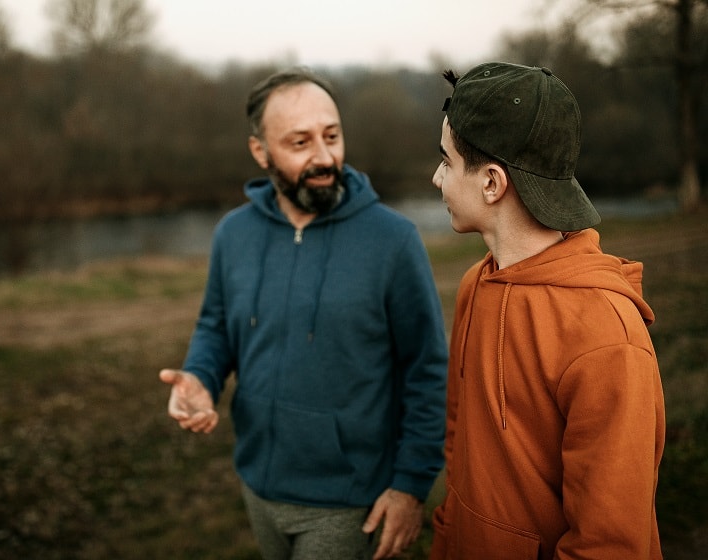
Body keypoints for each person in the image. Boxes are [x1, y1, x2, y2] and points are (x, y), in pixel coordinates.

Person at [159, 67, 448, 559]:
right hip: (258, 485)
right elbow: (216, 326)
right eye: (300, 142)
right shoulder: (233, 234)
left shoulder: (393, 241)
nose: (324, 157)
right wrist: (201, 378)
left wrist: (410, 485)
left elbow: (426, 370)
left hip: (349, 501)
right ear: (260, 152)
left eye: (331, 136)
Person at [428, 61, 665, 559]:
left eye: (446, 162)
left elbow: (609, 545)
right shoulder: (475, 286)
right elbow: (460, 444)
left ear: (492, 183)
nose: (436, 177)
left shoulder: (607, 337)